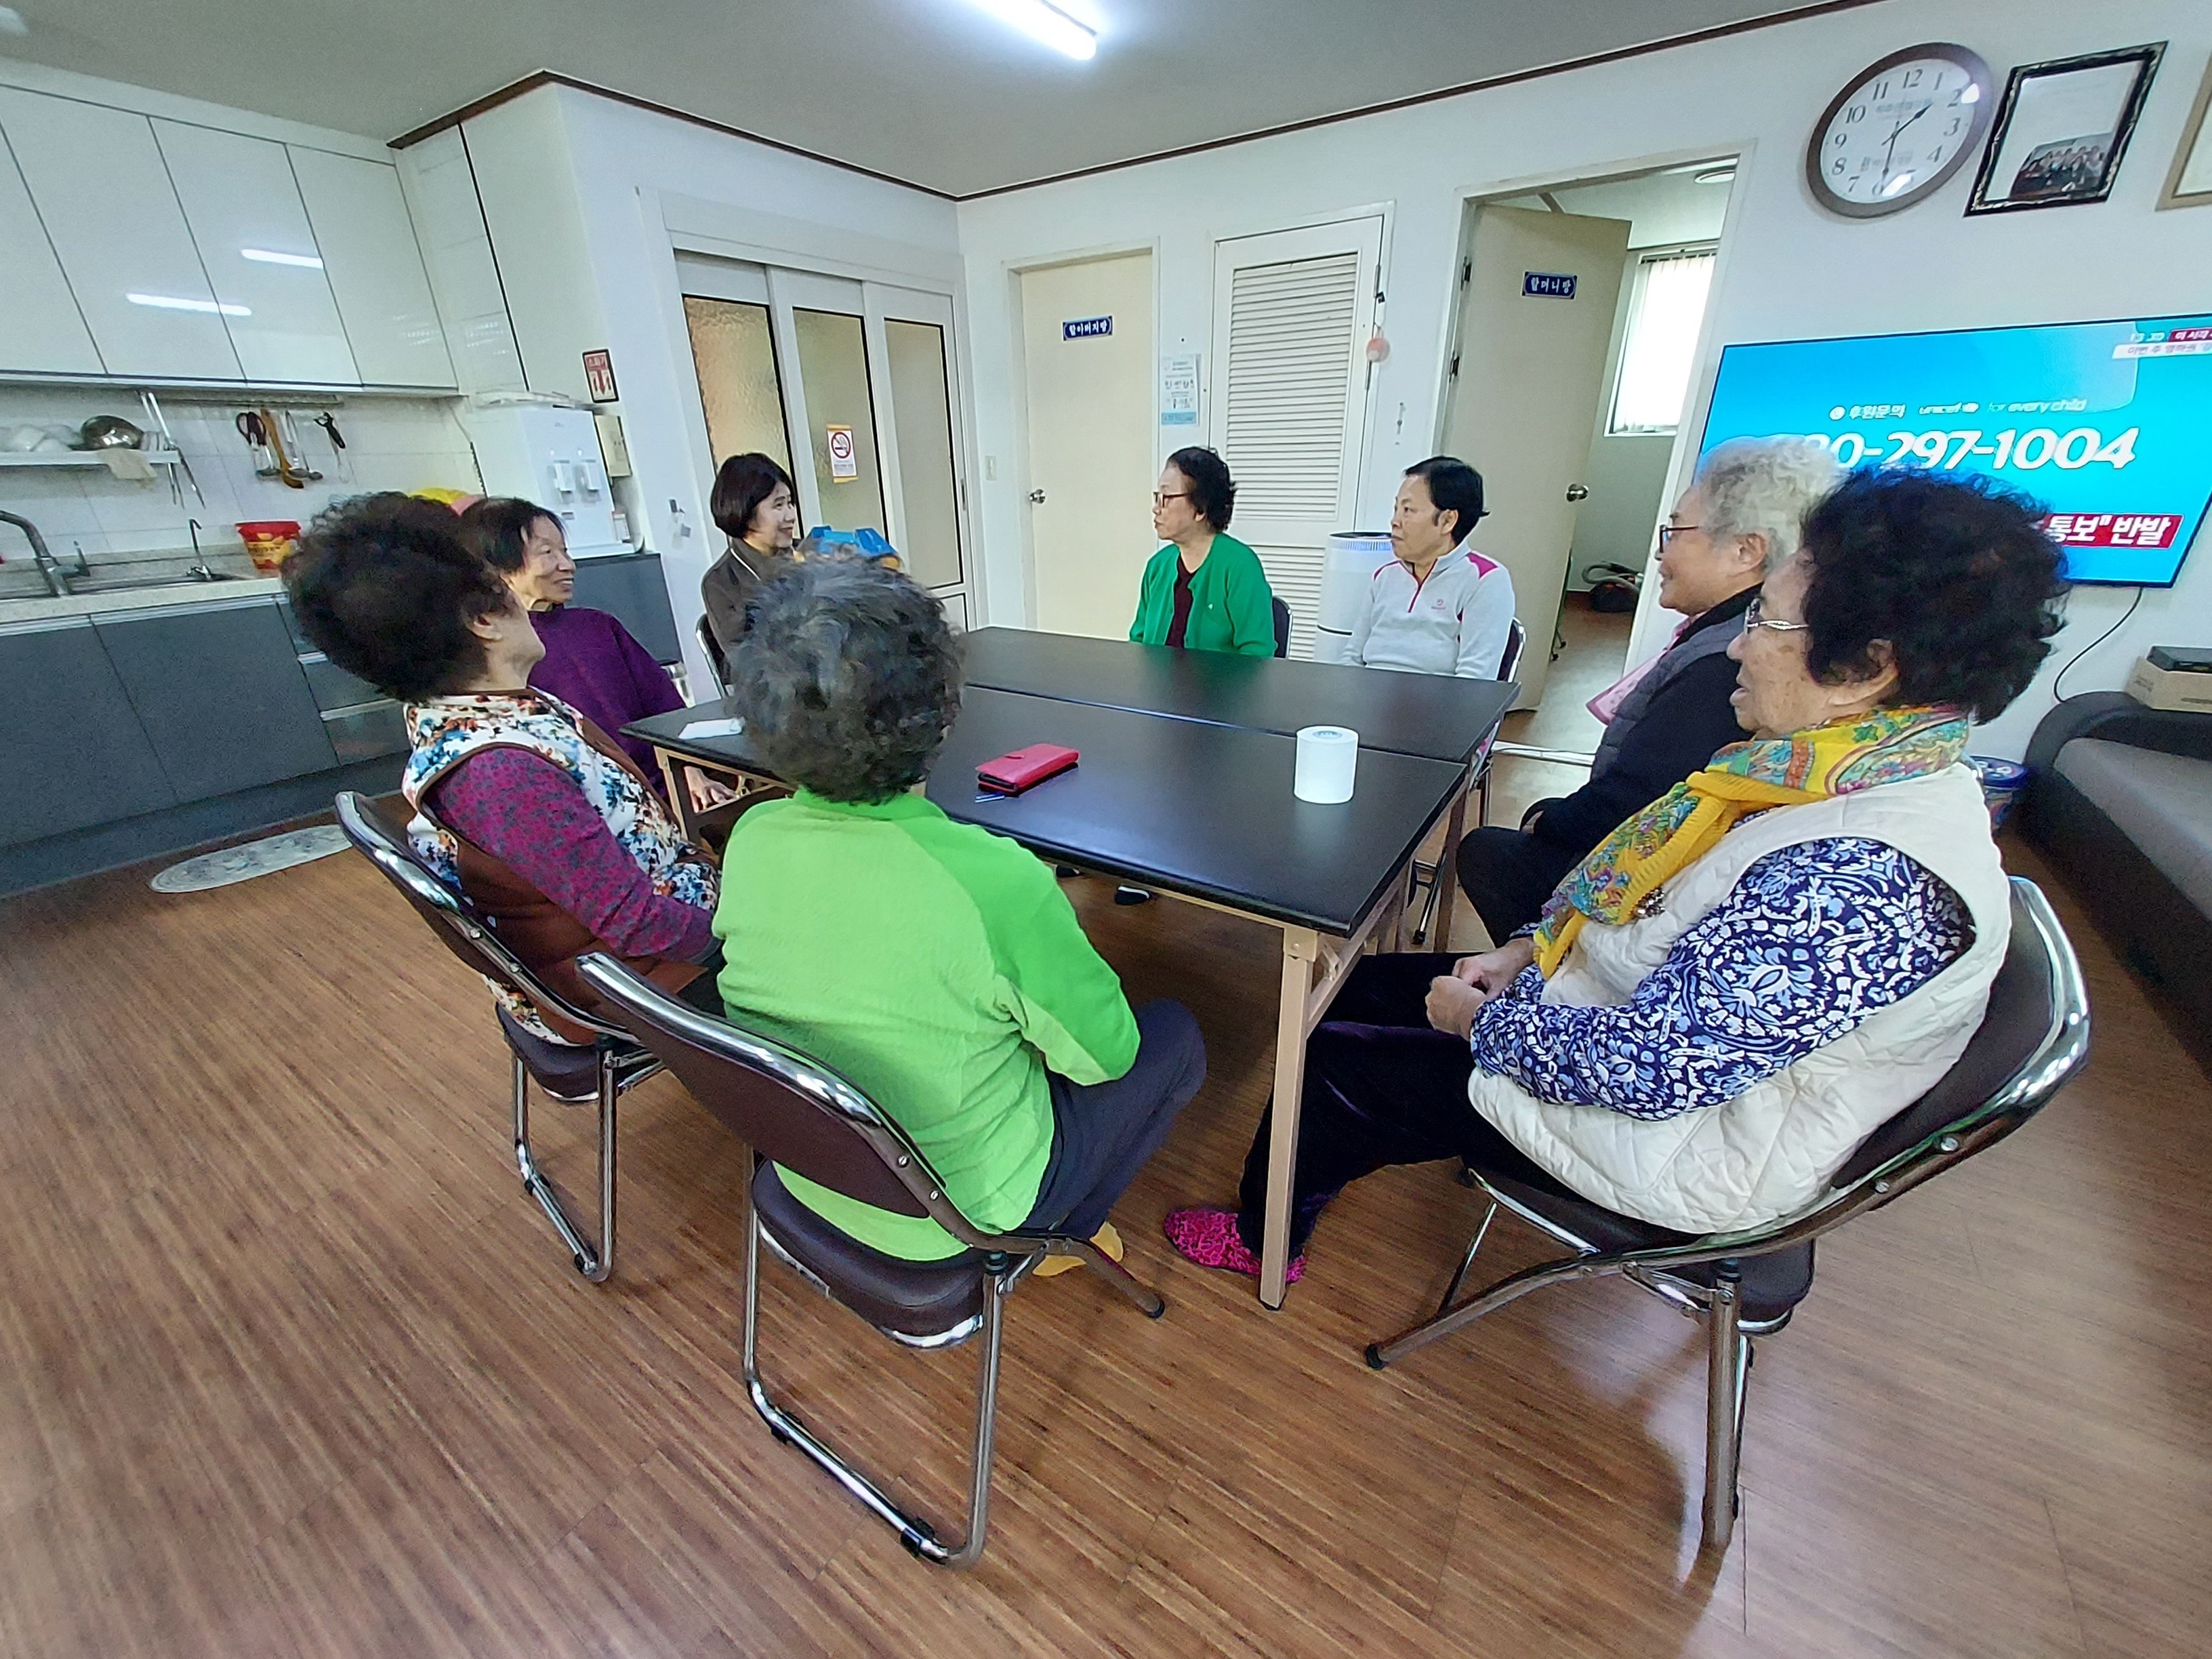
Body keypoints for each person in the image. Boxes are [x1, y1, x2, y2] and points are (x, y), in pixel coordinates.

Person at [1165, 468, 2066, 1280]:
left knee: (1331, 1057)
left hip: (1683, 1146)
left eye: (1768, 622)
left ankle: (1262, 1242)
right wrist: (1525, 954)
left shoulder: (1857, 882)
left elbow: (1651, 1073)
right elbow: (1663, 919)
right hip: (1624, 1027)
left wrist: (1483, 1018)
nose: (1741, 648)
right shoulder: (1844, 767)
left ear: (1870, 668)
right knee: (1354, 989)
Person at [716, 558, 1208, 1264]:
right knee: (1176, 1036)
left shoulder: (753, 840)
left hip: (814, 1173)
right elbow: (1110, 1058)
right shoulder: (994, 880)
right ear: (939, 715)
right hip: (964, 1213)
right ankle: (1053, 1236)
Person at [287, 494, 722, 1044]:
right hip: (638, 985)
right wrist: (757, 938)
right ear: (484, 618)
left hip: (648, 935)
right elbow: (639, 926)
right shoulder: (502, 774)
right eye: (499, 584)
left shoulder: (478, 712)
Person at [1454, 437, 1843, 941]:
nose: (1660, 553)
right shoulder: (1718, 638)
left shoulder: (1724, 669)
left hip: (1636, 901)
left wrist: (1552, 823)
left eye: (1675, 532)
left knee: (1492, 849)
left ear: (1746, 550)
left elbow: (1637, 799)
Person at [460, 497, 731, 819]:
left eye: (566, 551)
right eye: (548, 553)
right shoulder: (500, 657)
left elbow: (664, 705)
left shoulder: (597, 626)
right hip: (590, 807)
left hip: (659, 787)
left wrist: (688, 771)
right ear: (497, 569)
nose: (567, 565)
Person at [1349, 457, 1515, 679]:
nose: (1395, 521)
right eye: (1396, 508)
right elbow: (1352, 658)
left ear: (1447, 521)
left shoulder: (1485, 580)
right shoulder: (1385, 577)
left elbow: (1474, 682)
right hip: (1366, 702)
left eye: (1408, 510)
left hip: (1434, 709)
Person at [1129, 447, 1277, 656]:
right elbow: (1138, 641)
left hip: (1220, 688)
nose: (1156, 508)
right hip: (1158, 688)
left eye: (1167, 497)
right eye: (1157, 496)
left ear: (1200, 509)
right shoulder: (1157, 566)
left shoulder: (1240, 566)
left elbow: (1258, 654)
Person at [699, 452, 801, 658]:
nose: (791, 516)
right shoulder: (720, 583)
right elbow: (745, 660)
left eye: (790, 503)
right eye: (779, 505)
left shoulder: (810, 552)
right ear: (745, 512)